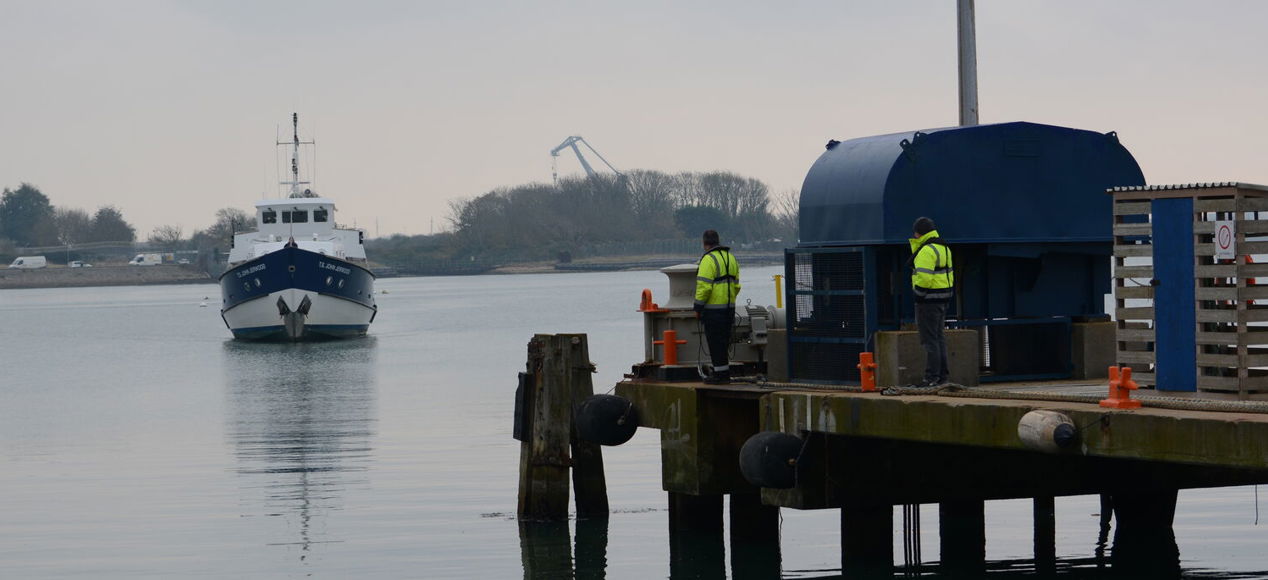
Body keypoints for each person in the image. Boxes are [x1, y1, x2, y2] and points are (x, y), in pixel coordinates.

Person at [909, 217, 954, 388]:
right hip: (942, 300)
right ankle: (942, 376)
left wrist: (918, 295)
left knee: (929, 341)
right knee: (939, 338)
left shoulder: (926, 251)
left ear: (919, 233)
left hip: (928, 301)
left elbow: (924, 278)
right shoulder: (944, 248)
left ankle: (931, 378)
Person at [694, 229, 741, 384]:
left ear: (704, 243)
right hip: (729, 309)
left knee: (715, 343)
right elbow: (736, 285)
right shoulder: (731, 258)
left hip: (713, 310)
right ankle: (723, 373)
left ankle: (720, 376)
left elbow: (704, 287)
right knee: (724, 342)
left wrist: (698, 307)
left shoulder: (708, 260)